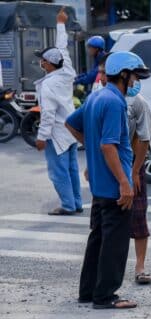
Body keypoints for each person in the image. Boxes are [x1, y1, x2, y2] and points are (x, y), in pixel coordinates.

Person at [65, 51, 151, 310]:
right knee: (114, 240)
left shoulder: (96, 96)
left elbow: (71, 124)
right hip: (114, 184)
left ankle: (88, 291)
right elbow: (108, 146)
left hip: (100, 183)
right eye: (135, 75)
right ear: (124, 75)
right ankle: (105, 296)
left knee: (98, 237)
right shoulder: (115, 102)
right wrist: (125, 182)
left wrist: (92, 155)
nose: (136, 80)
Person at [34, 8, 82, 216]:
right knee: (71, 170)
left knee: (59, 172)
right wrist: (61, 24)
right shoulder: (67, 72)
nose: (41, 62)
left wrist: (42, 137)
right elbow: (63, 49)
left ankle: (68, 205)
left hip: (56, 133)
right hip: (70, 132)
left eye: (43, 60)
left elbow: (48, 114)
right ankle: (76, 203)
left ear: (49, 64)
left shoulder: (49, 85)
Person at [127, 78, 151, 285]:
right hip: (109, 165)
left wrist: (135, 170)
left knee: (138, 215)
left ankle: (140, 266)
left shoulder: (138, 103)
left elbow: (144, 139)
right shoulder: (102, 99)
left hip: (132, 164)